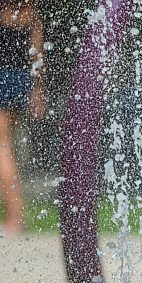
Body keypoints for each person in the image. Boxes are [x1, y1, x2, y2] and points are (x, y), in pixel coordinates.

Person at [0, 0, 45, 233]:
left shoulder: (2, 14)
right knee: (8, 148)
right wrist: (37, 91)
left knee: (2, 149)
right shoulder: (31, 16)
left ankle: (16, 218)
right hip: (21, 82)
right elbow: (36, 57)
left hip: (2, 80)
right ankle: (15, 215)